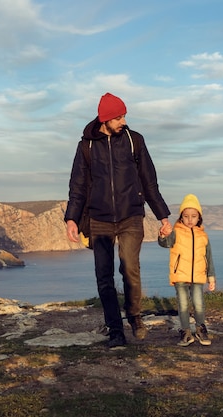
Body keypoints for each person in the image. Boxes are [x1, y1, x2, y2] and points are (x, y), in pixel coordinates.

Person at [65, 92, 171, 348]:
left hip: (131, 216)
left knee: (130, 269)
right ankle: (115, 330)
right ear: (105, 119)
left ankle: (134, 316)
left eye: (124, 116)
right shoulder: (86, 147)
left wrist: (163, 216)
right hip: (99, 219)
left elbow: (149, 181)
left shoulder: (135, 141)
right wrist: (72, 219)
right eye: (118, 117)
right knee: (104, 276)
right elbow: (77, 186)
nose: (123, 121)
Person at [158, 193, 216, 346]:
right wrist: (163, 235)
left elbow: (208, 256)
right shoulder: (175, 232)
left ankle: (200, 329)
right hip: (180, 276)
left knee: (198, 304)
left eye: (194, 216)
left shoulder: (203, 235)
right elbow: (165, 243)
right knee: (183, 305)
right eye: (186, 216)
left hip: (198, 276)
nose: (190, 219)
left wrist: (211, 276)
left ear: (199, 217)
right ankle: (186, 332)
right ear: (181, 217)